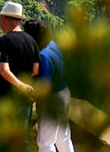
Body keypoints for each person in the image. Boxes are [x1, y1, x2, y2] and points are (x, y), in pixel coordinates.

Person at [24, 19, 74, 152]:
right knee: (63, 137)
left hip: (51, 101)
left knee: (45, 141)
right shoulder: (54, 46)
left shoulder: (43, 56)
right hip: (64, 95)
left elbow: (43, 85)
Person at [0, 2, 40, 119]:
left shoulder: (3, 41)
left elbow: (3, 71)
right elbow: (35, 70)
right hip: (23, 101)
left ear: (4, 18)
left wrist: (21, 86)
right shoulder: (32, 41)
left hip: (4, 102)